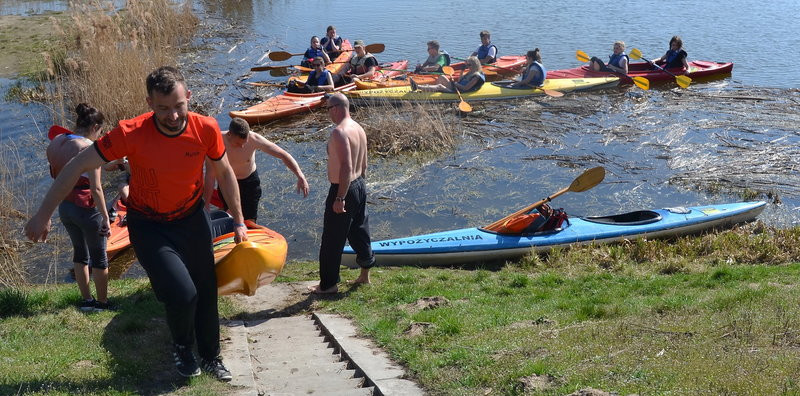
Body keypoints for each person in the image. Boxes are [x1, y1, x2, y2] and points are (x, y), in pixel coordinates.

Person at [24, 66, 247, 382]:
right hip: (150, 224)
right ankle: (183, 347)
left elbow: (224, 173)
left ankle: (212, 357)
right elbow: (77, 165)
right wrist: (42, 214)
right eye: (162, 108)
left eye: (178, 105)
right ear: (149, 103)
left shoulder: (205, 128)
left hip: (192, 219)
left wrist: (238, 220)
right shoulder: (131, 133)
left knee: (205, 290)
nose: (172, 115)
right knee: (184, 294)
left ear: (189, 97)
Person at [48, 103, 112, 311]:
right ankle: (102, 304)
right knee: (99, 257)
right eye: (100, 131)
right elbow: (96, 189)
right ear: (95, 126)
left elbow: (56, 172)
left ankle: (86, 301)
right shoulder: (90, 149)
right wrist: (105, 218)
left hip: (65, 208)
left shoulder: (58, 141)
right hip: (87, 210)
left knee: (79, 254)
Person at [310, 93, 375, 294]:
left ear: (336, 108)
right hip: (359, 185)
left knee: (331, 239)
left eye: (328, 109)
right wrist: (359, 186)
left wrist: (340, 197)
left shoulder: (339, 132)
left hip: (343, 189)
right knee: (359, 230)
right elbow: (363, 163)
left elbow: (346, 167)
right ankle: (365, 275)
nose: (328, 113)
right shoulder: (358, 128)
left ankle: (328, 285)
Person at [204, 117, 309, 222]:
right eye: (238, 143)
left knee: (249, 221)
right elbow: (210, 175)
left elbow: (283, 155)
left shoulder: (254, 139)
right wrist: (207, 204)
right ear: (229, 134)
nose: (242, 147)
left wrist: (300, 176)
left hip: (249, 183)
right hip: (227, 183)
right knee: (230, 218)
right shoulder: (216, 141)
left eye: (244, 143)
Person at [410, 55, 485, 93]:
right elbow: (460, 80)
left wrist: (455, 84)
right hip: (456, 87)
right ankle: (436, 90)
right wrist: (462, 71)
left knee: (440, 86)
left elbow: (465, 88)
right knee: (442, 76)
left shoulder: (476, 77)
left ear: (475, 65)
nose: (468, 67)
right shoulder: (470, 72)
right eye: (467, 65)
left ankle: (417, 87)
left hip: (459, 92)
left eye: (469, 65)